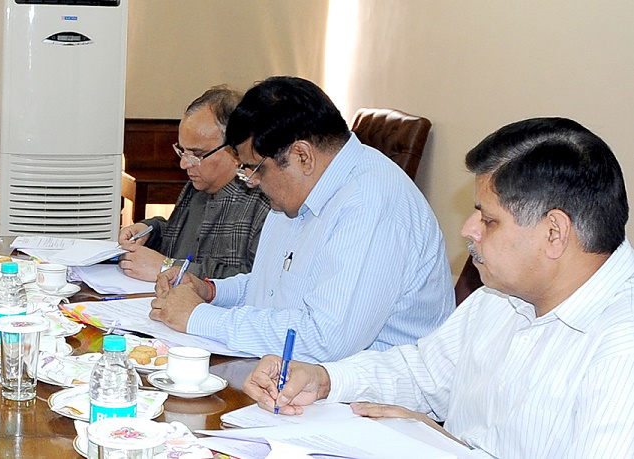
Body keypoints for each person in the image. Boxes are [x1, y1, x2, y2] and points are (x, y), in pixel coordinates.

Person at [243, 117, 634, 457]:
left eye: (488, 220)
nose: (468, 229)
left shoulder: (622, 346)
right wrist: (324, 379)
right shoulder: (500, 298)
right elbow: (421, 372)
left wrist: (445, 448)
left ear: (554, 233)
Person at [150, 76, 453, 362]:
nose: (249, 182)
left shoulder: (370, 202)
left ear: (302, 156)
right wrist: (212, 292)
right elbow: (273, 292)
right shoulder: (297, 191)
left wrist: (199, 317)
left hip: (370, 401)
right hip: (304, 381)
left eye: (254, 168)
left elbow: (325, 338)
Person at [118, 86, 270, 282]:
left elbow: (252, 282)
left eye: (197, 154)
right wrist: (149, 230)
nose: (184, 164)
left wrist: (168, 268)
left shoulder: (263, 201)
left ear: (236, 151)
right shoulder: (197, 186)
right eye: (182, 151)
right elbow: (178, 240)